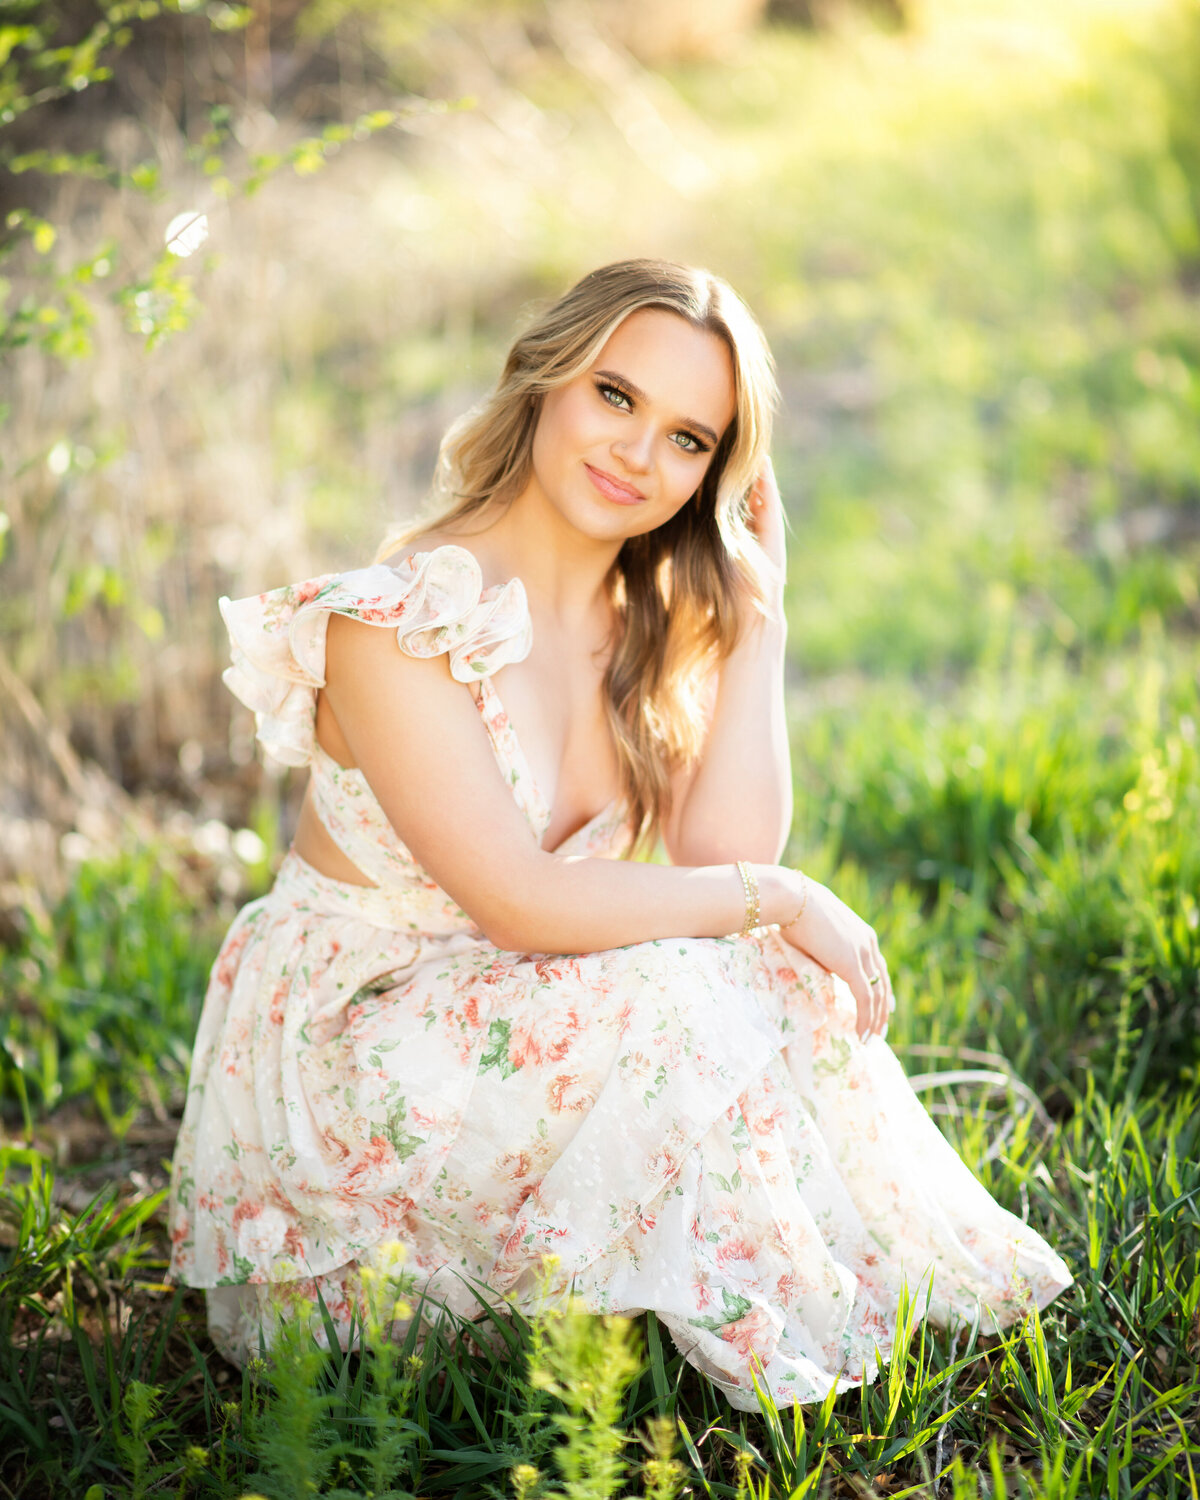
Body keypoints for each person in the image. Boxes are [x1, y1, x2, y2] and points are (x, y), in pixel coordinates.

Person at [167, 258, 1071, 1409]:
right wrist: (785, 896)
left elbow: (718, 850)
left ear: (715, 476)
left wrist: (759, 626)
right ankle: (784, 1351)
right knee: (703, 977)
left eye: (691, 439)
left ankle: (882, 1296)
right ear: (549, 377)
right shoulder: (394, 623)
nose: (640, 456)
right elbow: (520, 901)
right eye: (617, 396)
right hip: (359, 1056)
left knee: (760, 967)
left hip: (509, 1016)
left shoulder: (638, 622)